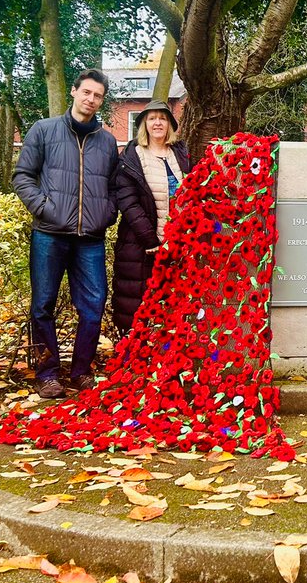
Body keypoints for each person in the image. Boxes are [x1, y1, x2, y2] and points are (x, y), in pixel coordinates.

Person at [13, 68, 119, 399]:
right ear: (74, 91)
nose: (91, 99)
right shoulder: (44, 130)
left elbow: (114, 187)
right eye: (86, 92)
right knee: (42, 304)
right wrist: (45, 208)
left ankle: (81, 371)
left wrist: (106, 213)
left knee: (94, 304)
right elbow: (22, 176)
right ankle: (47, 374)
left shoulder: (107, 142)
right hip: (50, 233)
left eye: (97, 95)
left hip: (90, 238)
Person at [111, 100, 192, 334]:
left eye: (163, 118)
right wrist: (150, 240)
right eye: (152, 118)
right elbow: (128, 201)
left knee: (171, 305)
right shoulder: (132, 156)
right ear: (144, 124)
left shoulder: (180, 154)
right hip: (142, 246)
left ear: (170, 124)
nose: (158, 123)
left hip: (176, 245)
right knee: (137, 303)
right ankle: (133, 350)